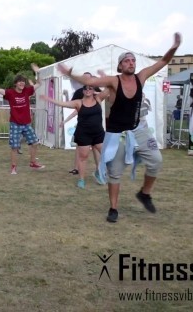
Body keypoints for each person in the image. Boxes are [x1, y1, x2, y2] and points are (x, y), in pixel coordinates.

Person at [57, 33, 181, 223]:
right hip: (116, 134)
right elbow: (89, 82)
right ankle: (113, 208)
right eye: (127, 61)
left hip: (139, 129)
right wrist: (69, 73)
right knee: (114, 172)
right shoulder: (114, 81)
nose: (131, 63)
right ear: (120, 66)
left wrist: (174, 46)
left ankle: (145, 194)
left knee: (156, 160)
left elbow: (164, 61)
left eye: (133, 60)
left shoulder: (141, 77)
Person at [41, 83, 108, 189]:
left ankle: (98, 172)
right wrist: (49, 99)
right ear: (82, 91)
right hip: (84, 134)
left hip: (98, 133)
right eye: (85, 88)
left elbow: (110, 89)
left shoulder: (98, 99)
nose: (87, 90)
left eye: (90, 88)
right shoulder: (79, 102)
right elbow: (63, 103)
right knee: (83, 157)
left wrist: (96, 91)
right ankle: (81, 179)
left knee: (106, 154)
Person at [0, 64, 45, 174]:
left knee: (34, 143)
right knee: (14, 146)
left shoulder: (27, 91)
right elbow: (0, 90)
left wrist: (39, 72)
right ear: (15, 83)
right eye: (19, 81)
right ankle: (13, 167)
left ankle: (33, 163)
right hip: (15, 124)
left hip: (26, 123)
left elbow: (39, 83)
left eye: (23, 81)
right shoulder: (10, 93)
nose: (22, 83)